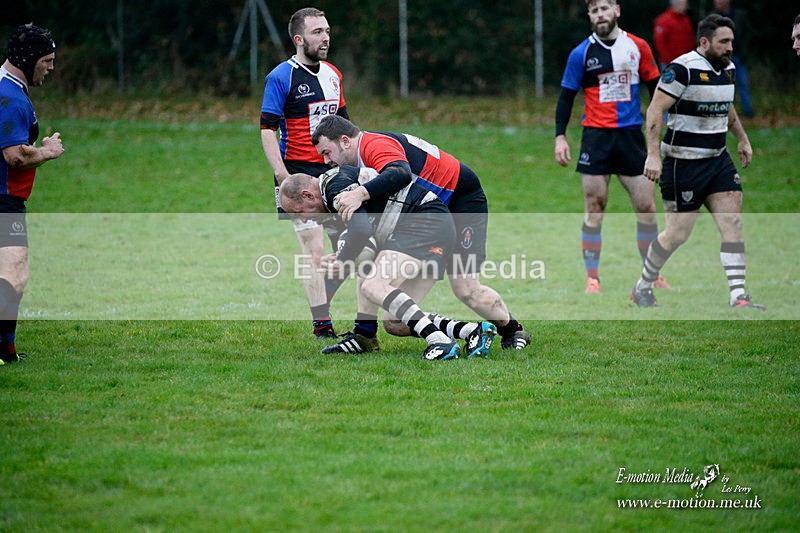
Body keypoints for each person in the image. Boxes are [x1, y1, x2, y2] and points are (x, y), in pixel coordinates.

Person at [310, 115, 531, 352]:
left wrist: (360, 194)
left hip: (460, 202)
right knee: (395, 321)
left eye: (327, 152)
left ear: (345, 141)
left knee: (466, 289)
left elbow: (401, 173)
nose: (326, 161)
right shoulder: (357, 163)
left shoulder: (373, 145)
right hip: (425, 221)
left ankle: (513, 329)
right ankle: (366, 333)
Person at [279, 166, 498, 360]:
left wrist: (343, 259)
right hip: (420, 228)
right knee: (395, 320)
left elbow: (362, 229)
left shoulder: (334, 186)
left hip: (423, 222)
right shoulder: (327, 210)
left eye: (299, 213)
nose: (304, 220)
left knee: (373, 285)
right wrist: (339, 257)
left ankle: (440, 341)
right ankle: (472, 331)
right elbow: (355, 246)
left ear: (308, 195)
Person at [631, 14, 764, 310]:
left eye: (731, 41)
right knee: (678, 234)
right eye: (723, 42)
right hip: (682, 165)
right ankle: (642, 285)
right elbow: (654, 112)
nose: (730, 47)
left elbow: (725, 106)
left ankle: (738, 296)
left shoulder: (727, 68)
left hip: (718, 161)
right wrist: (653, 155)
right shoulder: (681, 70)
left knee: (733, 224)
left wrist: (742, 138)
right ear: (704, 42)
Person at [554, 0, 670, 294]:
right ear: (590, 17)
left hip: (631, 137)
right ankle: (592, 278)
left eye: (604, 8)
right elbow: (566, 97)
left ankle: (652, 275)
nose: (600, 15)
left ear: (616, 10)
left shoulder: (638, 47)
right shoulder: (581, 53)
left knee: (646, 207)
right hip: (596, 138)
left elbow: (656, 89)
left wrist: (664, 123)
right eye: (594, 11)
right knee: (595, 207)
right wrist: (560, 136)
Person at [260, 7, 348, 340]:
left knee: (351, 250)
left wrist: (352, 166)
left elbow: (344, 126)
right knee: (313, 251)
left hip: (333, 174)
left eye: (327, 30)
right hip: (297, 176)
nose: (325, 37)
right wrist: (284, 179)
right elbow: (267, 129)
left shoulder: (333, 74)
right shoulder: (281, 77)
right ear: (299, 39)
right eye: (317, 32)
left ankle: (325, 306)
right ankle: (322, 325)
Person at [0, 24, 63, 365]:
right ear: (29, 58)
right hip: (3, 199)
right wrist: (48, 151)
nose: (50, 67)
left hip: (8, 198)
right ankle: (3, 351)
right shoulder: (8, 96)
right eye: (48, 60)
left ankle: (6, 352)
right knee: (14, 274)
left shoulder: (9, 88)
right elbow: (15, 156)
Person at [713, 0, 754, 118]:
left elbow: (747, 34)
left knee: (743, 85)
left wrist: (744, 53)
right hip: (722, 59)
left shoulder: (740, 15)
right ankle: (723, 113)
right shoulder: (713, 18)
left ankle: (748, 113)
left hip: (739, 57)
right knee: (723, 86)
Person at [653, 0, 696, 69]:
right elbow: (660, 43)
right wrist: (670, 61)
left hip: (686, 62)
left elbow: (690, 40)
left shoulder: (686, 19)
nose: (686, 6)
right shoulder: (664, 20)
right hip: (669, 63)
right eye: (685, 3)